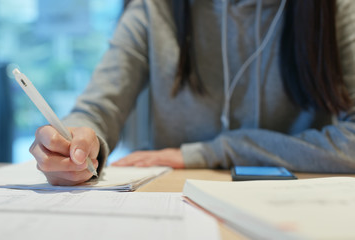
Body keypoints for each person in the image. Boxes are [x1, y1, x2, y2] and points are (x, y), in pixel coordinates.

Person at [29, 0, 355, 186]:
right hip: (171, 201)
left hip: (297, 200)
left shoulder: (337, 9)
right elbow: (98, 108)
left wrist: (217, 151)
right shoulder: (155, 9)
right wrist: (74, 142)